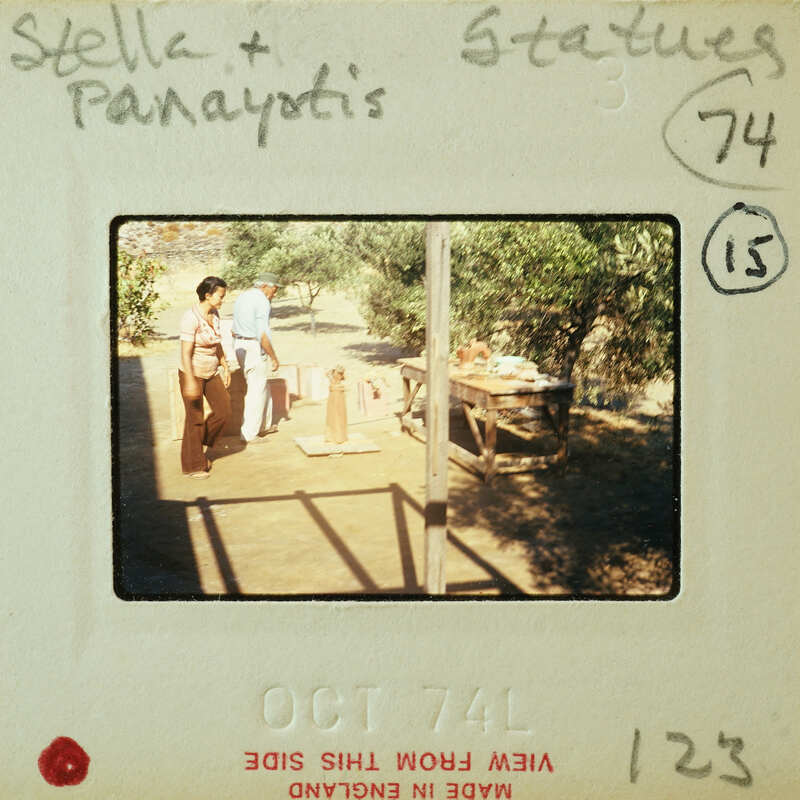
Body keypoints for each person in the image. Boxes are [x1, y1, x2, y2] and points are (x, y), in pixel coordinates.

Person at [178, 276, 232, 478]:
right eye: (220, 296)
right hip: (192, 372)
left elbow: (217, 343)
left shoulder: (215, 313)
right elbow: (185, 352)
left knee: (224, 410)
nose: (222, 300)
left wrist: (224, 364)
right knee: (195, 418)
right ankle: (194, 465)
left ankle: (195, 444)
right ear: (208, 295)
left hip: (211, 370)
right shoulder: (190, 318)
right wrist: (190, 381)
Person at [232, 273, 282, 444]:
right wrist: (274, 357)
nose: (274, 294)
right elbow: (262, 335)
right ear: (264, 286)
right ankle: (249, 434)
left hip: (239, 344)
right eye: (274, 289)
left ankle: (264, 425)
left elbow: (233, 329)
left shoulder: (242, 297)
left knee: (262, 386)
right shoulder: (262, 301)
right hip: (253, 347)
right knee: (255, 391)